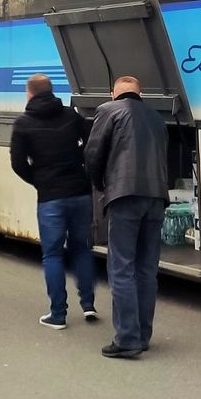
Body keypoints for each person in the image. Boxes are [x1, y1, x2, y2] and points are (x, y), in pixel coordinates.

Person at [84, 76, 168, 358]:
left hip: (124, 197)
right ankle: (143, 336)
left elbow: (93, 155)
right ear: (140, 94)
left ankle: (127, 339)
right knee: (146, 269)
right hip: (156, 198)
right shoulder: (157, 118)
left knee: (121, 268)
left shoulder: (108, 111)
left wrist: (102, 186)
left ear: (113, 94)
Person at [10, 74, 97, 330]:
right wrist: (80, 165)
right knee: (82, 249)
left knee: (53, 254)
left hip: (51, 198)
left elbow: (17, 163)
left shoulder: (23, 123)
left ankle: (58, 314)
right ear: (51, 90)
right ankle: (89, 304)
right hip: (80, 193)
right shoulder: (70, 115)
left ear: (29, 94)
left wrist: (39, 180)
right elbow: (92, 141)